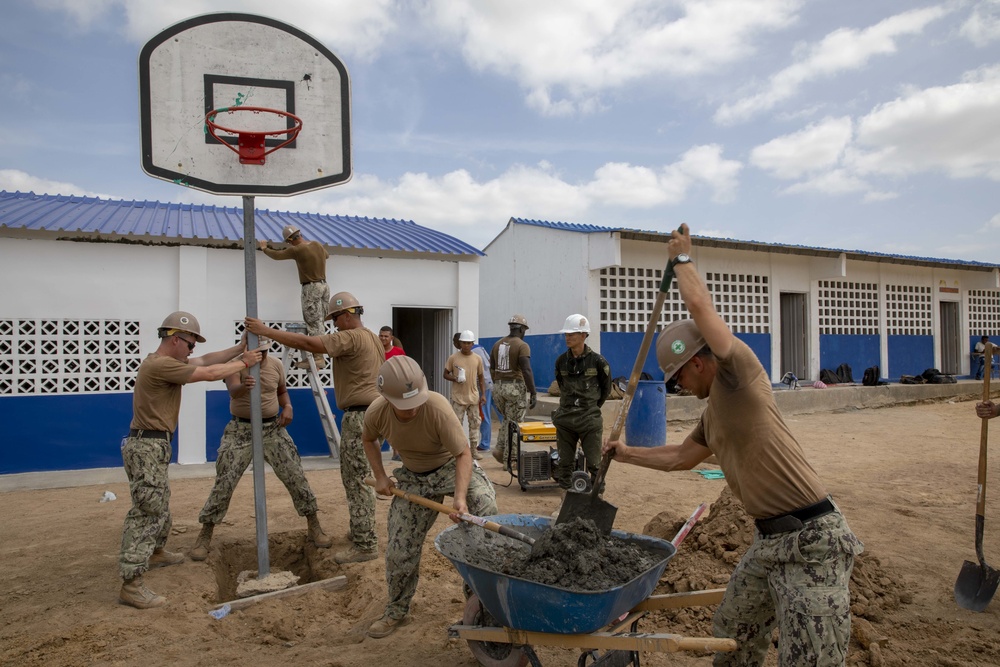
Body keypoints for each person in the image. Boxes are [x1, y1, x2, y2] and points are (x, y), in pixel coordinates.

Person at [602, 224, 864, 666]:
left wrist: (683, 259)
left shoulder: (739, 374)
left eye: (678, 377)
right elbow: (681, 458)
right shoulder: (713, 414)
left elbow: (701, 306)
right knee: (734, 630)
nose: (679, 387)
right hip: (769, 541)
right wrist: (626, 454)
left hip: (813, 539)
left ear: (698, 363)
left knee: (811, 660)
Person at [118, 311, 264, 609]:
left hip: (153, 445)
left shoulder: (168, 362)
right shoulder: (160, 366)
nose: (192, 350)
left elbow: (207, 360)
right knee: (147, 511)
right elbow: (208, 373)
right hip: (146, 446)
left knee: (158, 502)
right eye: (189, 343)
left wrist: (238, 349)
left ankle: (156, 551)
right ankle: (131, 583)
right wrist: (245, 362)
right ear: (174, 339)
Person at [362, 355, 498, 638]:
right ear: (387, 398)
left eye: (415, 402)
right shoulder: (376, 412)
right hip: (413, 476)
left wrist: (460, 498)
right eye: (404, 405)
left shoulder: (437, 407)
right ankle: (396, 610)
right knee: (400, 547)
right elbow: (368, 438)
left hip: (451, 466)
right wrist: (381, 476)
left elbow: (463, 454)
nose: (411, 410)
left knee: (485, 508)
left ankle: (481, 601)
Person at [246, 291, 383, 564]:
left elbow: (308, 342)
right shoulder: (372, 337)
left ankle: (365, 543)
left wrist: (266, 331)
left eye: (335, 319)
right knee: (360, 476)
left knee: (357, 480)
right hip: (372, 413)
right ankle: (360, 531)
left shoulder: (351, 336)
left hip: (360, 416)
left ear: (346, 315)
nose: (334, 325)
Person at [190, 336, 333, 562]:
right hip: (241, 430)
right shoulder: (234, 364)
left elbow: (282, 391)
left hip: (272, 428)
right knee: (224, 482)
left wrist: (288, 406)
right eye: (256, 351)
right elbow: (233, 390)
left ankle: (314, 525)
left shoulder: (275, 365)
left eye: (264, 351)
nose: (261, 355)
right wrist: (243, 386)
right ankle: (205, 533)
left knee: (295, 476)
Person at [552, 314, 611, 495]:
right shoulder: (562, 361)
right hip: (566, 419)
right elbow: (561, 384)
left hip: (589, 420)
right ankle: (564, 503)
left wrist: (590, 408)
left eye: (572, 334)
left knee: (595, 464)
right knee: (564, 463)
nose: (568, 337)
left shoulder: (598, 362)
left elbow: (605, 389)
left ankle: (597, 500)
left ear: (584, 335)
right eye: (566, 334)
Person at [258, 224, 330, 369]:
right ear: (300, 234)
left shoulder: (296, 249)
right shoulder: (317, 244)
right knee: (320, 321)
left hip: (311, 287)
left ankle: (318, 358)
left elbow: (277, 256)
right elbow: (326, 256)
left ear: (290, 240)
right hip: (324, 286)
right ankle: (321, 354)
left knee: (313, 322)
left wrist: (265, 248)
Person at [490, 314, 536, 465]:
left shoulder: (497, 344)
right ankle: (512, 459)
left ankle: (500, 449)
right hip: (514, 387)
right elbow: (526, 370)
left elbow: (491, 368)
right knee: (515, 424)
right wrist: (533, 392)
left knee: (508, 421)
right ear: (522, 329)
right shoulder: (522, 345)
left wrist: (499, 384)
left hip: (498, 387)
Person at [444, 331, 486, 460]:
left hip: (473, 397)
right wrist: (455, 378)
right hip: (458, 398)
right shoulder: (453, 358)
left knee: (475, 424)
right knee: (456, 426)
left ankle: (473, 450)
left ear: (473, 343)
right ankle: (458, 451)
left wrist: (483, 394)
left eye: (469, 343)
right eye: (464, 343)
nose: (466, 345)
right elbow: (445, 374)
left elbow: (481, 377)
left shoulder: (477, 358)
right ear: (460, 343)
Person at [379, 325, 405, 460]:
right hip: (378, 392)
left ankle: (396, 452)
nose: (383, 338)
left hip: (395, 391)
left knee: (396, 420)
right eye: (381, 335)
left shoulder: (398, 352)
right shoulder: (375, 351)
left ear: (391, 338)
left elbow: (405, 368)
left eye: (386, 336)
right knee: (379, 420)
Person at [471, 337, 494, 454]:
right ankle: (508, 441)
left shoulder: (472, 353)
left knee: (484, 415)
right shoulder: (481, 348)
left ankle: (485, 444)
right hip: (491, 382)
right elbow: (490, 363)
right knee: (501, 414)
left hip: (483, 386)